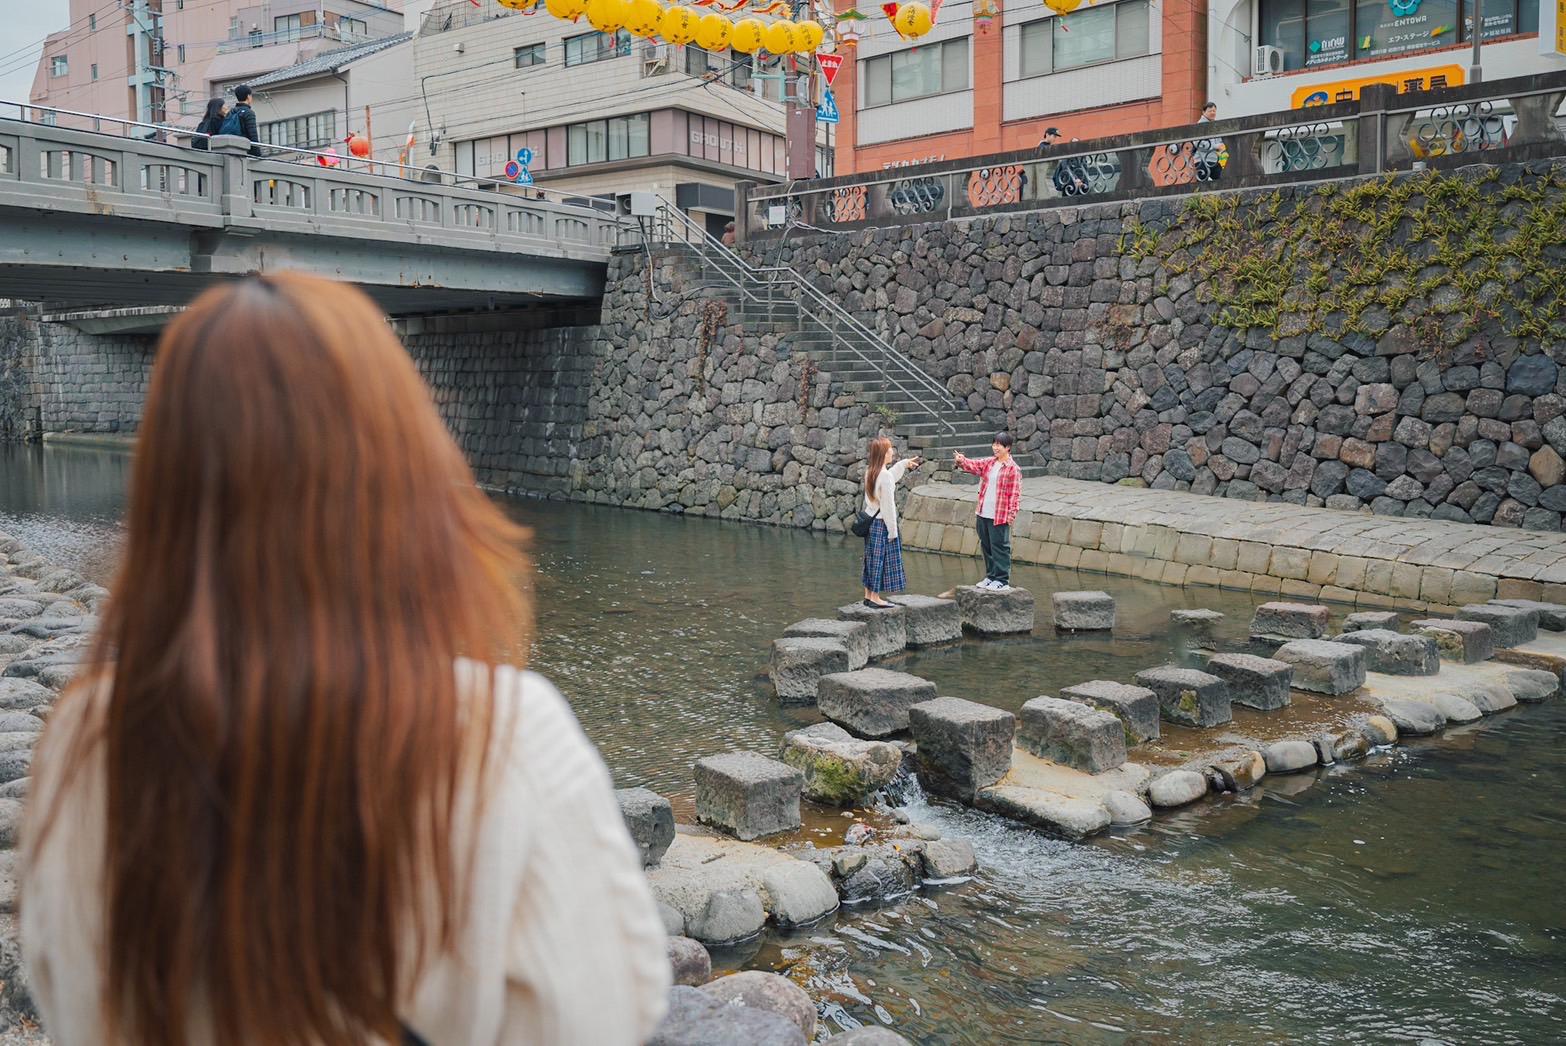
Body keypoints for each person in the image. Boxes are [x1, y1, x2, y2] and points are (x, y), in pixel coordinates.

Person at [21, 274, 670, 1045]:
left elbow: (61, 991)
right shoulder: (504, 737)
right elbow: (612, 1014)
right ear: (400, 466)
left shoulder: (85, 744)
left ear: (165, 486)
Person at [954, 433, 1022, 590]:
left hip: (999, 515)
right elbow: (974, 465)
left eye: (999, 445)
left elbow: (1015, 495)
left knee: (1000, 547)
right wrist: (961, 460)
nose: (995, 448)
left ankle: (1002, 580)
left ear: (1008, 448)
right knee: (987, 546)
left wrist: (1010, 516)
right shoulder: (990, 463)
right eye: (994, 444)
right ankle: (991, 576)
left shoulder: (1013, 469)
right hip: (983, 512)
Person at [861, 436, 921, 609]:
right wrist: (893, 531)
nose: (892, 451)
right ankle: (875, 597)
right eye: (889, 449)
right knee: (880, 559)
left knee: (871, 558)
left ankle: (867, 595)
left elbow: (888, 478)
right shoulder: (884, 475)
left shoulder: (870, 471)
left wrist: (902, 464)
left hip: (870, 522)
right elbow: (888, 507)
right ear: (882, 454)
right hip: (881, 524)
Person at [220, 83, 262, 156]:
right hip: (244, 150)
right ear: (248, 96)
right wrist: (257, 154)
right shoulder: (249, 113)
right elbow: (253, 135)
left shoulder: (231, 112)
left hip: (230, 148)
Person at [1194, 101, 1223, 183]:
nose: (1213, 113)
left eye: (1214, 111)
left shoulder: (1215, 126)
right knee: (1201, 184)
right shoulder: (1200, 125)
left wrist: (1220, 146)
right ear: (1204, 112)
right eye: (1210, 111)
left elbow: (1220, 141)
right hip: (1201, 159)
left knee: (1222, 181)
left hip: (1214, 159)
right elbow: (1198, 143)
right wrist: (1215, 147)